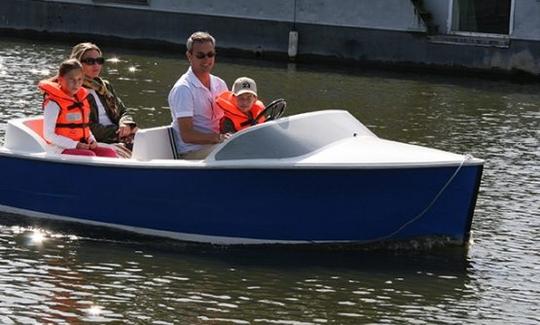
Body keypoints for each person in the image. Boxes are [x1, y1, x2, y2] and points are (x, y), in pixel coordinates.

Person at [38, 59, 117, 158]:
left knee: (109, 153)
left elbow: (85, 127)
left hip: (81, 145)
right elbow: (48, 135)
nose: (76, 84)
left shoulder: (81, 99)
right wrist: (75, 145)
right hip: (59, 149)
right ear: (60, 79)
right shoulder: (53, 103)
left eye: (80, 79)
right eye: (72, 79)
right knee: (89, 155)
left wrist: (91, 140)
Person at [168, 31, 229, 159]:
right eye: (200, 55)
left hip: (218, 147)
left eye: (210, 54)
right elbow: (187, 135)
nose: (207, 60)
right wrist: (218, 138)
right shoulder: (183, 89)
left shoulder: (220, 83)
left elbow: (227, 120)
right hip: (191, 154)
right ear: (189, 56)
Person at [69, 42, 137, 152]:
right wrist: (119, 132)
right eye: (90, 61)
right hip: (97, 141)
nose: (96, 65)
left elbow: (123, 111)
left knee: (147, 140)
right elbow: (87, 127)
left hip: (118, 136)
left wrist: (126, 124)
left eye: (99, 61)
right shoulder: (73, 90)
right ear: (77, 64)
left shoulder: (105, 86)